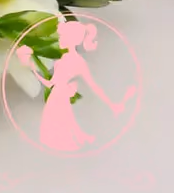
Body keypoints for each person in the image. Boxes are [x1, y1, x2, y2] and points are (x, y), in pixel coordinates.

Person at [15, 20, 135, 152]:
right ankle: (78, 142)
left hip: (60, 99)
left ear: (71, 39)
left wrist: (111, 104)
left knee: (63, 131)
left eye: (61, 36)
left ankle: (75, 147)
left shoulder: (78, 62)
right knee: (58, 129)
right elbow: (50, 84)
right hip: (55, 99)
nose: (59, 38)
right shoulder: (62, 61)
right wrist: (32, 69)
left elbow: (93, 86)